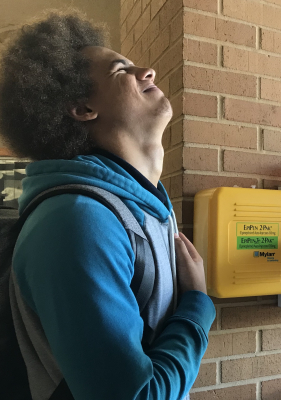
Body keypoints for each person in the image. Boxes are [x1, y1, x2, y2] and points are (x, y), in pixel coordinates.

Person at [0, 11, 214, 400]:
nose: (147, 72)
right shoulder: (78, 220)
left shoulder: (135, 206)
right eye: (122, 70)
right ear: (82, 109)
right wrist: (198, 306)